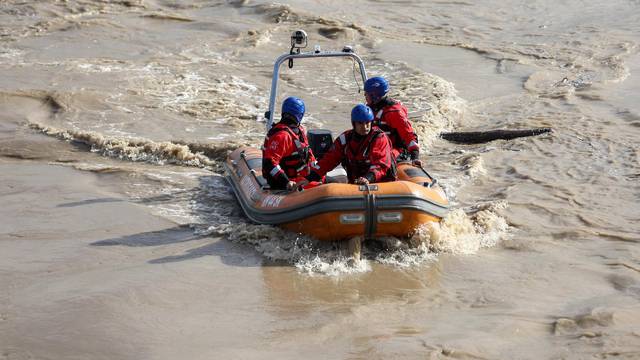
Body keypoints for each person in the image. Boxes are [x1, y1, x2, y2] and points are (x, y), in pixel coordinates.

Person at [303, 104, 397, 185]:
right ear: (354, 124)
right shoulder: (345, 139)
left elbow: (380, 164)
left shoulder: (379, 138)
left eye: (367, 123)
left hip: (380, 184)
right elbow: (329, 160)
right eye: (360, 123)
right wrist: (309, 178)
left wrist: (368, 178)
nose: (365, 127)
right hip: (356, 185)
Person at [262, 96, 318, 191]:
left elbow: (310, 156)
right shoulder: (282, 136)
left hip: (302, 179)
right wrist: (286, 181)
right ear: (300, 115)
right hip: (287, 183)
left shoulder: (299, 131)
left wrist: (318, 172)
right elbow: (269, 163)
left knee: (332, 182)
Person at [364, 76, 422, 166]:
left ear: (374, 96)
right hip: (377, 148)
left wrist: (415, 157)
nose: (365, 96)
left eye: (366, 93)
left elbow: (409, 136)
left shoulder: (394, 112)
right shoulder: (369, 109)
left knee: (382, 159)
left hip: (397, 150)